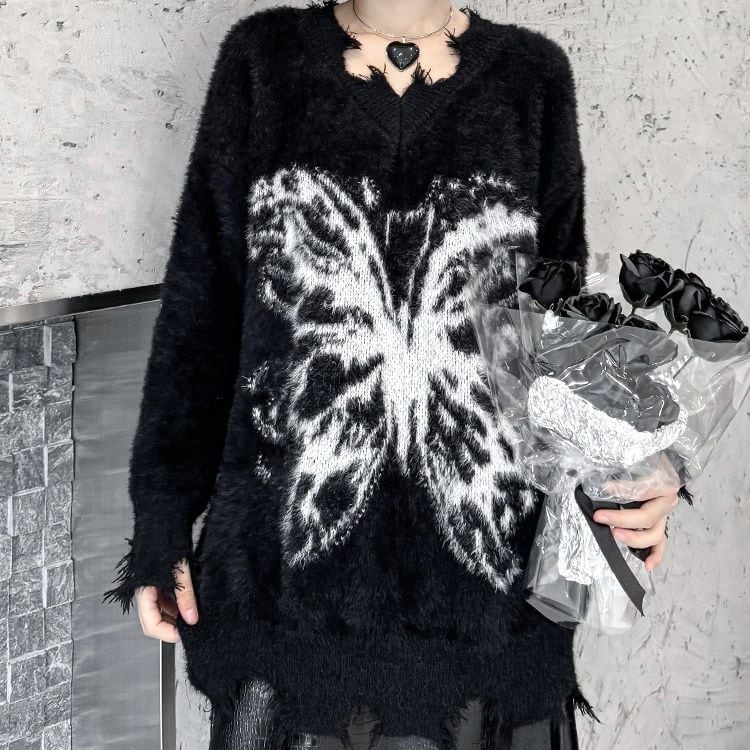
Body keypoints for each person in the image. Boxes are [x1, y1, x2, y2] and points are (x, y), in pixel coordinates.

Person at [103, 1, 682, 748]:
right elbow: (200, 312)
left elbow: (559, 330)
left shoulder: (532, 78)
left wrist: (639, 463)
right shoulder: (263, 62)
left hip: (489, 615)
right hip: (286, 612)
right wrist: (160, 522)